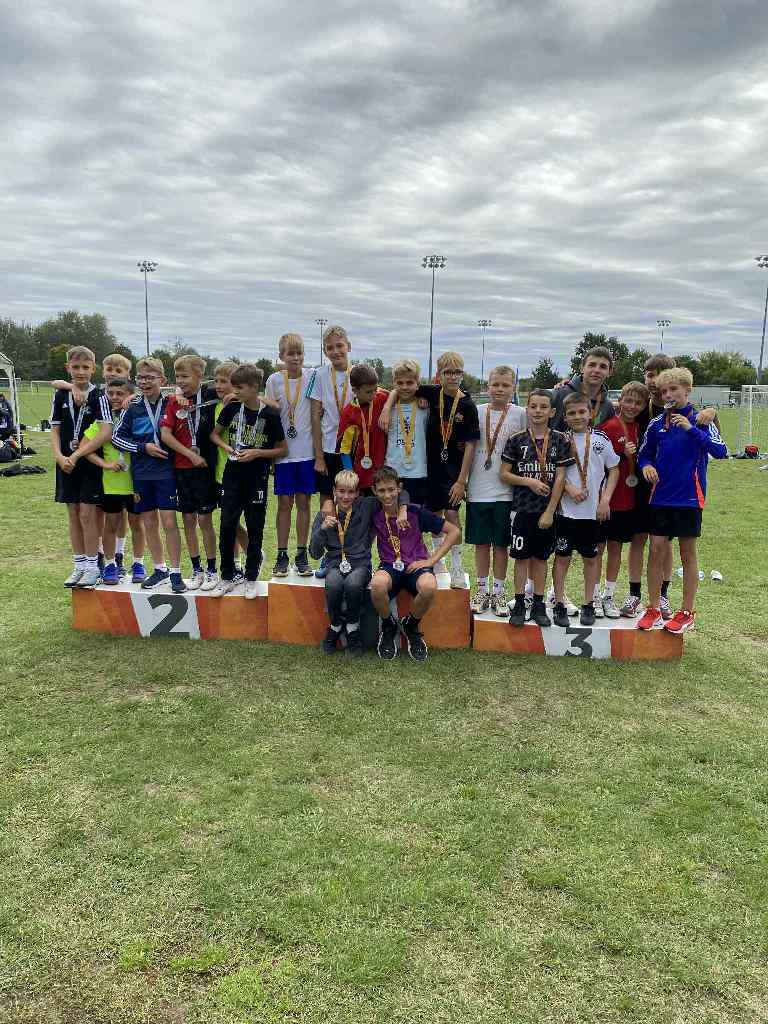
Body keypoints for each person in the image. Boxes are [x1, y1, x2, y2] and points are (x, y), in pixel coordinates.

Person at [625, 353, 719, 618]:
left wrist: (699, 422)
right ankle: (645, 601)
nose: (667, 393)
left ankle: (678, 606)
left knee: (681, 551)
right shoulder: (649, 415)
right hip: (654, 493)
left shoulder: (699, 418)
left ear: (687, 389)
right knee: (648, 544)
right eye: (662, 388)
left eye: (672, 389)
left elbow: (719, 449)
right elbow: (644, 452)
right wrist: (644, 464)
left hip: (688, 496)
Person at [380, 350, 479, 588]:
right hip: (429, 470)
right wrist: (387, 406)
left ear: (462, 373)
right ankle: (435, 561)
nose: (452, 376)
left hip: (450, 471)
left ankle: (457, 566)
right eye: (447, 372)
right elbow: (399, 387)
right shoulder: (431, 395)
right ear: (438, 375)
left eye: (457, 372)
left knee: (451, 516)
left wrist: (462, 480)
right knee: (431, 515)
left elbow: (471, 444)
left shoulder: (467, 405)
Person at [54, 352, 141, 578]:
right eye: (109, 370)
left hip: (115, 468)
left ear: (128, 374)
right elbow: (62, 384)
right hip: (95, 463)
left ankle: (118, 554)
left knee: (119, 515)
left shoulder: (127, 399)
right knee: (98, 514)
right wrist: (69, 386)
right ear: (101, 371)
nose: (112, 374)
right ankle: (101, 555)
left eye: (118, 371)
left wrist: (134, 395)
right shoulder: (101, 395)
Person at [308, 469, 409, 656]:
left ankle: (352, 627)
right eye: (341, 491)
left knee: (354, 584)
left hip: (361, 563)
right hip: (334, 563)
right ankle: (336, 625)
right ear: (334, 491)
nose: (346, 497)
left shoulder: (366, 506)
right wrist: (322, 529)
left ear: (357, 493)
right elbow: (314, 553)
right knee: (333, 583)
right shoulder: (324, 514)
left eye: (351, 492)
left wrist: (403, 509)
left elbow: (400, 493)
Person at [211, 364, 287, 598]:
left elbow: (282, 449)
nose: (234, 392)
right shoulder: (232, 408)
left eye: (240, 388)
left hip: (257, 477)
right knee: (227, 525)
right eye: (233, 387)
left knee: (255, 527)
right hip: (232, 474)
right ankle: (226, 576)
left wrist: (257, 453)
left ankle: (251, 577)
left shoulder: (270, 414)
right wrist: (227, 447)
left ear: (255, 387)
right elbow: (214, 434)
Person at [370, 465, 461, 661]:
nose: (387, 495)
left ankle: (410, 625)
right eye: (382, 491)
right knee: (377, 585)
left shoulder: (415, 512)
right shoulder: (373, 511)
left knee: (428, 587)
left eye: (391, 489)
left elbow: (454, 531)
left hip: (416, 565)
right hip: (390, 566)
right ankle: (388, 625)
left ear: (399, 488)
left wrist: (432, 560)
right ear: (374, 491)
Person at [112, 357, 186, 593]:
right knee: (149, 522)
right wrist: (143, 448)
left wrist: (179, 393)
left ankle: (176, 572)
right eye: (140, 378)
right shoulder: (133, 407)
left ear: (162, 380)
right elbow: (116, 438)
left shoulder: (172, 403)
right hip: (142, 473)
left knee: (169, 522)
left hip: (166, 472)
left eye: (149, 378)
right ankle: (160, 568)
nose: (144, 382)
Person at [499, 389, 572, 628]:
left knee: (541, 559)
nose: (538, 411)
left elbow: (561, 477)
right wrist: (528, 481)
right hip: (522, 510)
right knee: (520, 559)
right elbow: (504, 474)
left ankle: (539, 604)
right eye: (533, 406)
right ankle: (520, 603)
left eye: (543, 407)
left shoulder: (560, 439)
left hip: (547, 512)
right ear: (527, 409)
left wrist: (550, 511)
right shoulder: (516, 439)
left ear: (552, 412)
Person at [551, 393, 620, 627]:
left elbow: (614, 470)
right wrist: (568, 488)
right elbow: (553, 471)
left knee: (591, 559)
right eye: (571, 413)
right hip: (565, 513)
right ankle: (559, 603)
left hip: (593, 514)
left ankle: (589, 604)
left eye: (582, 412)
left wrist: (605, 500)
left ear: (591, 414)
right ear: (565, 417)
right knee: (562, 558)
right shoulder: (560, 439)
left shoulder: (601, 440)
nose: (577, 416)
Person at [465, 365, 525, 616]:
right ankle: (481, 590)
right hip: (478, 488)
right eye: (495, 384)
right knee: (481, 544)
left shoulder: (521, 414)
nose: (500, 389)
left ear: (513, 388)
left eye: (505, 385)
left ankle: (498, 592)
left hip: (507, 491)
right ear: (487, 386)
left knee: (501, 545)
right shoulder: (476, 411)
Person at [50, 345, 111, 588]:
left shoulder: (99, 396)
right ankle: (79, 565)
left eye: (85, 367)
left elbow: (105, 432)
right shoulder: (60, 395)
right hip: (65, 463)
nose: (80, 372)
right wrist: (58, 456)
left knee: (87, 514)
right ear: (68, 368)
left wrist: (76, 455)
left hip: (89, 464)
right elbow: (55, 430)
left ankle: (93, 566)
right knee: (73, 514)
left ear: (93, 369)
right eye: (76, 367)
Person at [160, 354, 219, 591]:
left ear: (200, 376)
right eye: (177, 377)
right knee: (188, 520)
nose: (180, 381)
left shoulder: (211, 395)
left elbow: (232, 383)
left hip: (205, 469)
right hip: (182, 469)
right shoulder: (174, 401)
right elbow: (165, 435)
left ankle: (212, 569)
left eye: (185, 376)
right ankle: (197, 569)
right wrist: (189, 454)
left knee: (205, 520)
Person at [83, 378, 146, 584]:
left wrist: (136, 396)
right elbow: (85, 448)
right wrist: (105, 464)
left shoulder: (137, 417)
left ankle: (138, 563)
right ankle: (110, 564)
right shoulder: (103, 422)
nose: (115, 397)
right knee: (111, 524)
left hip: (135, 482)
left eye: (120, 393)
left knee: (137, 524)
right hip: (112, 484)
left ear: (129, 395)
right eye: (110, 394)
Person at [265, 334, 316, 577]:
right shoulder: (274, 380)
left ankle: (301, 554)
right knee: (284, 504)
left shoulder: (312, 376)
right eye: (290, 354)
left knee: (304, 503)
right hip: (284, 452)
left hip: (307, 452)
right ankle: (282, 554)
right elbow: (269, 414)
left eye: (299, 353)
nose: (295, 358)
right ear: (281, 356)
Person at [598, 380, 649, 617]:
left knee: (616, 548)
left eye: (638, 403)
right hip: (607, 498)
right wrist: (620, 453)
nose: (632, 406)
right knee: (598, 548)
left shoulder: (641, 428)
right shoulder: (608, 427)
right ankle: (594, 595)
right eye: (628, 401)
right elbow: (598, 462)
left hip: (628, 499)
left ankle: (608, 594)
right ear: (620, 400)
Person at [307, 325, 353, 579]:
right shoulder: (319, 375)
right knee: (327, 505)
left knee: (353, 503)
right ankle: (330, 554)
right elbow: (315, 416)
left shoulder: (359, 373)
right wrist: (318, 457)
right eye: (330, 348)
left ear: (349, 347)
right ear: (325, 351)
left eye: (339, 346)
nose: (335, 351)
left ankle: (352, 554)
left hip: (353, 451)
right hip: (327, 450)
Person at [211, 361, 250, 583]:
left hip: (238, 474)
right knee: (229, 522)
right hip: (218, 473)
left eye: (223, 382)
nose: (218, 385)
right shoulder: (215, 403)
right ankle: (238, 562)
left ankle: (249, 555)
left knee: (231, 521)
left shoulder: (241, 406)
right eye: (216, 381)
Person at [381, 358, 430, 506]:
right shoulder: (387, 408)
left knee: (414, 515)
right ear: (394, 384)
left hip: (418, 472)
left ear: (417, 384)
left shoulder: (425, 407)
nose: (404, 387)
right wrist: (387, 406)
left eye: (409, 383)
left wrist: (424, 396)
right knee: (392, 514)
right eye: (400, 383)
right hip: (392, 472)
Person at [337, 363, 390, 493]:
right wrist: (351, 475)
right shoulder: (348, 413)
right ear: (355, 390)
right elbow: (344, 450)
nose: (374, 394)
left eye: (375, 389)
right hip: (361, 474)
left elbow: (399, 393)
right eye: (368, 392)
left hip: (385, 472)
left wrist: (387, 407)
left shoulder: (383, 398)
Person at [550, 346, 615, 431]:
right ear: (582, 368)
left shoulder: (608, 406)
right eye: (592, 365)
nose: (596, 370)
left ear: (609, 372)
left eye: (603, 367)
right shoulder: (560, 394)